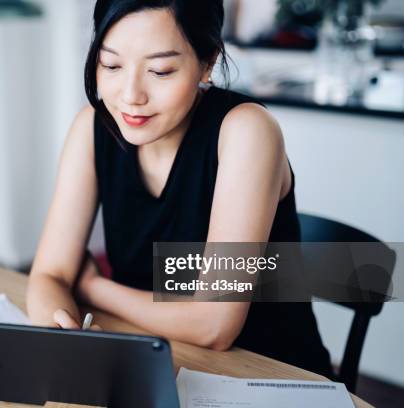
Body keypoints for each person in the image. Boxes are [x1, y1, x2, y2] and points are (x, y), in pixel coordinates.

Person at [26, 0, 333, 378]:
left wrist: (92, 287)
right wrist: (61, 335)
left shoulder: (245, 131)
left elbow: (215, 325)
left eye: (160, 70)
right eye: (111, 65)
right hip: (153, 359)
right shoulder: (92, 127)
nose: (131, 95)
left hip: (266, 375)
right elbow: (48, 275)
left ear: (207, 63)